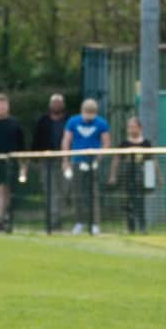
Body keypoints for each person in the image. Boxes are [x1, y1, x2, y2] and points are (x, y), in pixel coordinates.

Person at [61, 98, 110, 235]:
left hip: (93, 162)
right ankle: (79, 222)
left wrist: (98, 159)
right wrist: (66, 160)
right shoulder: (73, 122)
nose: (89, 117)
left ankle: (95, 224)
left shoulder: (101, 123)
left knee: (93, 193)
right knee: (78, 193)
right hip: (77, 161)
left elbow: (106, 142)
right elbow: (66, 140)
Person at [108, 116, 163, 233]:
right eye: (130, 127)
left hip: (141, 176)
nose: (132, 129)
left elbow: (153, 160)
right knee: (129, 202)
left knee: (140, 202)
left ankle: (142, 227)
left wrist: (158, 176)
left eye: (134, 127)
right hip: (128, 176)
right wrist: (113, 175)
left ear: (140, 128)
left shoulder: (146, 143)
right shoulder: (124, 143)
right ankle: (130, 227)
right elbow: (116, 160)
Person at [31, 93, 69, 230]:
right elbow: (36, 140)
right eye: (54, 102)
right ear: (50, 105)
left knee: (64, 190)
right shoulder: (43, 120)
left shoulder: (68, 120)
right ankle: (52, 221)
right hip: (46, 160)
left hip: (65, 160)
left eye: (59, 102)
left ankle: (59, 218)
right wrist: (35, 159)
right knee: (50, 191)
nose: (57, 105)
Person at [0, 93, 26, 233]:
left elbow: (21, 146)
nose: (1, 107)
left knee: (3, 190)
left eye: (4, 104)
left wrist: (23, 166)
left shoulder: (14, 123)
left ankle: (1, 220)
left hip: (8, 163)